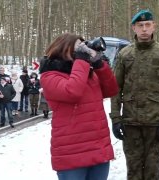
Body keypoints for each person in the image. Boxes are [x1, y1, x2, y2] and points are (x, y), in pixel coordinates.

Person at [110, 9, 159, 180]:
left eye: (147, 25)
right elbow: (115, 88)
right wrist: (115, 119)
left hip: (155, 123)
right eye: (140, 25)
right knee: (133, 170)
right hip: (130, 122)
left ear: (154, 27)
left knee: (152, 170)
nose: (144, 29)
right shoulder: (125, 54)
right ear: (134, 28)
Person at [39, 32, 119, 180]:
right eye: (78, 47)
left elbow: (111, 90)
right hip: (71, 153)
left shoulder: (88, 73)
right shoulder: (49, 76)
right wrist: (82, 60)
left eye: (83, 47)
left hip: (97, 147)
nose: (83, 50)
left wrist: (99, 65)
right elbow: (72, 92)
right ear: (64, 49)